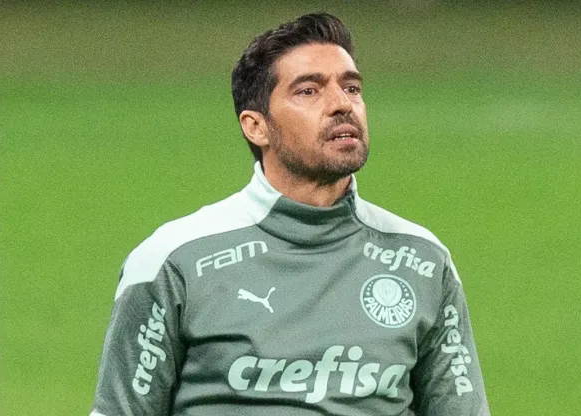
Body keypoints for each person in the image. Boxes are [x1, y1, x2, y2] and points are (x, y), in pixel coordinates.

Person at [90, 12, 490, 416]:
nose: (342, 105)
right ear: (256, 126)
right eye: (309, 91)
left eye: (351, 88)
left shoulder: (422, 261)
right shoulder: (173, 261)